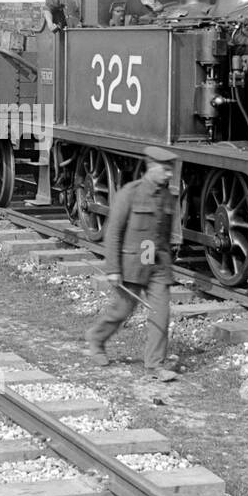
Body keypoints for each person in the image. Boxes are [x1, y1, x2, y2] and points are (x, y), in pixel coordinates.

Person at [86, 146, 180, 381]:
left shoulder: (168, 197)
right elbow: (113, 233)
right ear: (152, 168)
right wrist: (113, 269)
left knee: (161, 314)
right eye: (166, 170)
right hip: (132, 265)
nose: (169, 175)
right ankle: (96, 340)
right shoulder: (129, 193)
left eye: (171, 170)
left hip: (158, 266)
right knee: (121, 311)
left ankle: (154, 367)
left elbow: (166, 234)